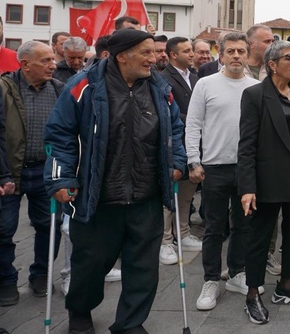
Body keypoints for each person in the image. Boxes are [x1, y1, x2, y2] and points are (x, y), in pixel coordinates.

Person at [43, 29, 186, 333]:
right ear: (122, 56)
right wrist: (60, 178)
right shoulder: (84, 86)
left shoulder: (160, 88)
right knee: (90, 264)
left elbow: (175, 128)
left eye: (154, 51)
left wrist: (177, 161)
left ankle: (130, 323)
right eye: (146, 52)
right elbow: (60, 134)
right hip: (98, 197)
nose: (154, 58)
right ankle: (80, 311)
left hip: (146, 195)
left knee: (143, 269)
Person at [238, 40, 290, 325]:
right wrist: (247, 187)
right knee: (260, 238)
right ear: (272, 64)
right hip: (268, 179)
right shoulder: (255, 95)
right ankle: (252, 294)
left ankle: (286, 285)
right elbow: (246, 145)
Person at [185, 32, 260, 312]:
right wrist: (193, 160)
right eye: (231, 51)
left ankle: (236, 272)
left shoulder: (256, 87)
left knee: (243, 225)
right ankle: (211, 280)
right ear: (221, 53)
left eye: (241, 51)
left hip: (247, 168)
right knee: (214, 228)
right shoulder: (205, 85)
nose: (236, 56)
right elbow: (193, 124)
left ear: (248, 53)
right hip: (214, 166)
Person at [0, 42, 63, 306]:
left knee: (49, 226)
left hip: (45, 171)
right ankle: (6, 279)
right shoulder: (4, 88)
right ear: (25, 64)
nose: (53, 65)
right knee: (4, 229)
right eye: (45, 61)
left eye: (52, 59)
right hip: (9, 172)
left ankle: (41, 274)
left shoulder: (58, 89)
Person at [157, 36, 201, 266]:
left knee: (186, 193)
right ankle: (165, 240)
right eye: (186, 51)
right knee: (168, 195)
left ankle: (182, 233)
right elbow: (165, 111)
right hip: (173, 143)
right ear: (173, 55)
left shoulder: (194, 77)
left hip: (193, 143)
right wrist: (195, 119)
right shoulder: (162, 78)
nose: (192, 54)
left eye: (191, 49)